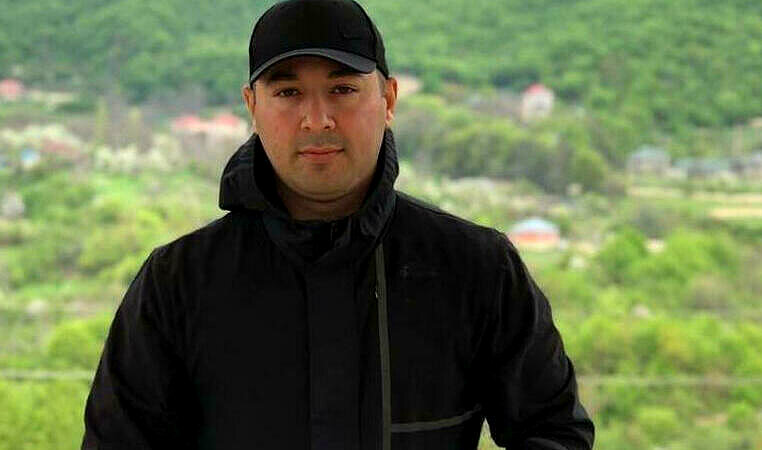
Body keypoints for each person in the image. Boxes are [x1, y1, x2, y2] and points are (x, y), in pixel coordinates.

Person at [81, 0, 595, 448]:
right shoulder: (178, 283)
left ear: (388, 100)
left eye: (343, 89)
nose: (317, 119)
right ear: (251, 106)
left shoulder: (475, 268)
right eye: (288, 93)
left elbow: (555, 430)